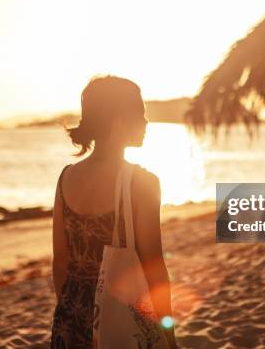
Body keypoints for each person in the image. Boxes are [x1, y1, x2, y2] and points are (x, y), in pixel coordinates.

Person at [50, 75, 178, 348]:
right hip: (119, 316)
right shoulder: (142, 183)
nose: (146, 123)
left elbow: (60, 261)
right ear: (119, 121)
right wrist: (168, 330)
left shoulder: (66, 178)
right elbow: (154, 266)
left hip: (71, 317)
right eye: (140, 115)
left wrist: (71, 309)